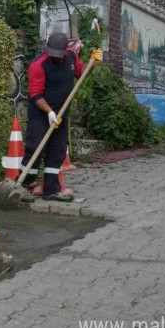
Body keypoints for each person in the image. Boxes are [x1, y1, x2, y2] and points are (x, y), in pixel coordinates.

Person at [21, 32, 102, 202]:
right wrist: (49, 112)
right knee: (35, 148)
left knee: (57, 151)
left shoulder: (72, 57)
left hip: (62, 114)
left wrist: (92, 63)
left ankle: (51, 190)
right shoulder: (38, 65)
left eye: (58, 55)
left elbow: (81, 74)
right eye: (52, 55)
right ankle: (23, 186)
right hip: (41, 113)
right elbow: (35, 94)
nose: (55, 58)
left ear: (65, 50)